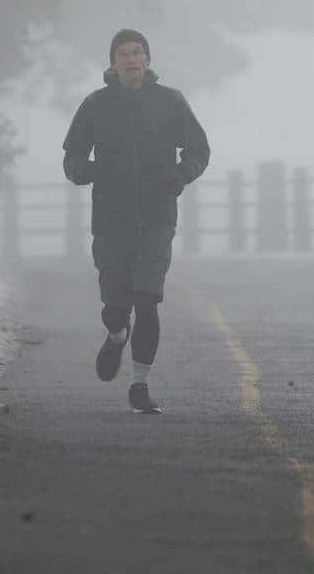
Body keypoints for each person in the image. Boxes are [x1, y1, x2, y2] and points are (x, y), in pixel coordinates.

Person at [62, 29, 210, 413]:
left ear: (148, 60)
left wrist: (181, 174)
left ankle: (140, 387)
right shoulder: (95, 105)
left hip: (157, 216)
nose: (132, 59)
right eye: (124, 54)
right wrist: (89, 171)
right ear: (112, 63)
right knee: (116, 303)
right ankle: (116, 332)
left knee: (147, 298)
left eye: (138, 53)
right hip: (110, 219)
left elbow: (199, 148)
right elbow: (72, 157)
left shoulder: (170, 101)